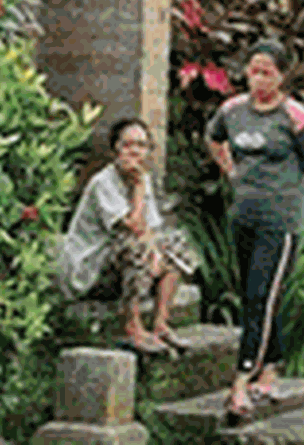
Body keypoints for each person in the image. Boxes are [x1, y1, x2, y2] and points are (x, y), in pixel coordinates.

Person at [205, 39, 304, 420]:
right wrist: (231, 171)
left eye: (267, 72)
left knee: (260, 297)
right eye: (253, 71)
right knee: (255, 296)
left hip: (280, 222)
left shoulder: (296, 117)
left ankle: (240, 385)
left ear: (282, 75)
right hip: (243, 217)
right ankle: (269, 370)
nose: (258, 79)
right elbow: (214, 138)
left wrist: (281, 186)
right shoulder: (232, 110)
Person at [60, 118, 199, 354]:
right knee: (135, 247)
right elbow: (132, 227)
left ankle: (160, 324)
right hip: (91, 272)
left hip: (119, 265)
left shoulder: (142, 178)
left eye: (142, 145)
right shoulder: (103, 182)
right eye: (128, 145)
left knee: (177, 245)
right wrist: (138, 192)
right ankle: (132, 328)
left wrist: (157, 253)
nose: (135, 151)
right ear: (116, 148)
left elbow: (151, 228)